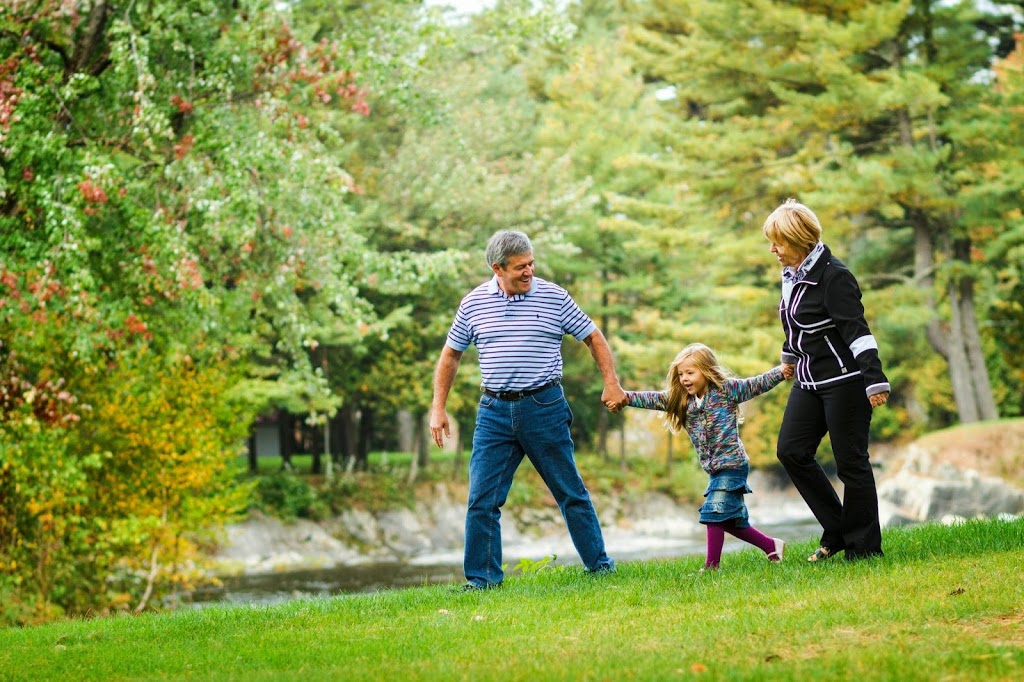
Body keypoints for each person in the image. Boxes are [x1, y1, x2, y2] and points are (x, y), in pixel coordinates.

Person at [430, 229, 626, 591]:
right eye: (520, 267)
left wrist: (611, 382)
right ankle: (483, 581)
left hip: (544, 406)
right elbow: (451, 355)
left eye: (531, 264)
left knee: (570, 491)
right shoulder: (473, 303)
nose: (529, 272)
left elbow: (593, 336)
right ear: (497, 268)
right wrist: (438, 408)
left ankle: (600, 567)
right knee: (481, 500)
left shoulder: (554, 297)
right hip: (493, 412)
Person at [762, 198, 890, 562]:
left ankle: (864, 550)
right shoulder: (791, 274)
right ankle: (837, 529)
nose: (773, 250)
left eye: (778, 242)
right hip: (808, 381)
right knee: (791, 450)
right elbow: (794, 324)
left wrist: (874, 379)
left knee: (851, 463)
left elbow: (858, 332)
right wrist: (789, 358)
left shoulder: (835, 276)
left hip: (846, 381)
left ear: (800, 240)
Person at [615, 343, 793, 571]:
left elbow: (756, 384)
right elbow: (652, 398)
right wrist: (625, 397)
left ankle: (711, 567)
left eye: (690, 373)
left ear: (706, 370)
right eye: (681, 374)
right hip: (715, 470)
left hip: (733, 464)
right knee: (728, 520)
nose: (685, 379)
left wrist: (780, 372)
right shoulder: (682, 401)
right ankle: (771, 545)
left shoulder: (726, 391)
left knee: (713, 513)